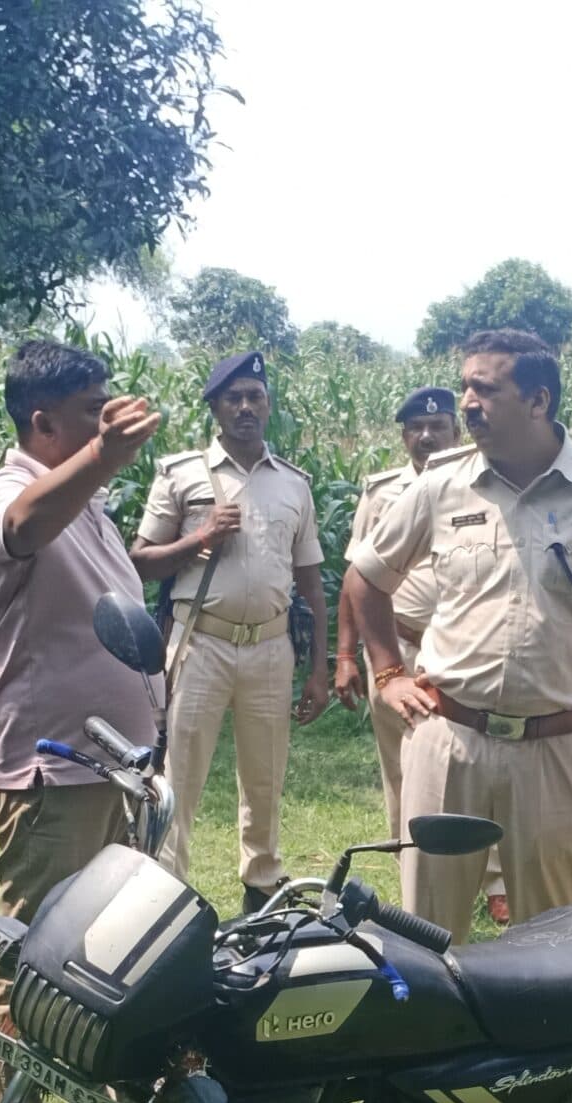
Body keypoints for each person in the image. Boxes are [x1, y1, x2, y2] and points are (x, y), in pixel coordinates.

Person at [346, 328, 572, 938]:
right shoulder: (441, 482)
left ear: (538, 401)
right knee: (425, 930)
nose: (467, 402)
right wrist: (387, 673)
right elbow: (365, 579)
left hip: (555, 745)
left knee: (551, 936)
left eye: (485, 389)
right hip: (449, 736)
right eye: (466, 386)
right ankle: (435, 1034)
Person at [0, 340, 165, 1085]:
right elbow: (20, 525)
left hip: (120, 774)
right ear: (42, 422)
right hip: (56, 775)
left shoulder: (93, 510)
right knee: (35, 951)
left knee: (117, 947)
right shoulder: (2, 494)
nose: (107, 420)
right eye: (91, 412)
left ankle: (90, 1100)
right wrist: (105, 458)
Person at [132, 351, 330, 916]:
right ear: (215, 407)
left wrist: (318, 667)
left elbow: (311, 585)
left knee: (266, 773)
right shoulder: (182, 474)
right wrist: (199, 539)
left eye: (255, 397)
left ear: (268, 405)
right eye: (233, 398)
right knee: (180, 772)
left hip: (270, 645)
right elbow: (141, 561)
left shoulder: (294, 484)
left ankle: (262, 881)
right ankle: (165, 886)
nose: (246, 407)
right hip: (201, 642)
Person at [338, 385, 506, 922]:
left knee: (484, 761)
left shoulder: (481, 486)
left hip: (464, 656)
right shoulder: (383, 492)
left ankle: (496, 878)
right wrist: (348, 656)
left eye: (438, 427)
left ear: (456, 432)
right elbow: (357, 577)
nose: (427, 436)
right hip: (401, 649)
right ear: (404, 435)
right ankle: (412, 862)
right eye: (415, 427)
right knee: (404, 769)